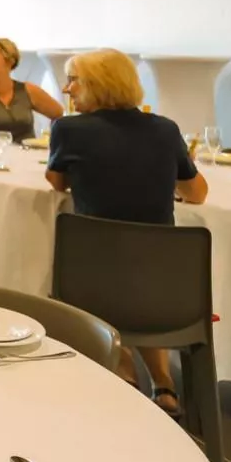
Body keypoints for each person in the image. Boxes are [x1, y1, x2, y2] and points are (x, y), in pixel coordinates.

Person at [46, 48, 208, 416]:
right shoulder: (165, 129)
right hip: (166, 297)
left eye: (73, 80)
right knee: (141, 271)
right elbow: (197, 194)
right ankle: (164, 385)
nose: (66, 89)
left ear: (97, 84)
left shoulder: (68, 129)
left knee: (108, 265)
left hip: (90, 289)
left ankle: (123, 375)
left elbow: (57, 183)